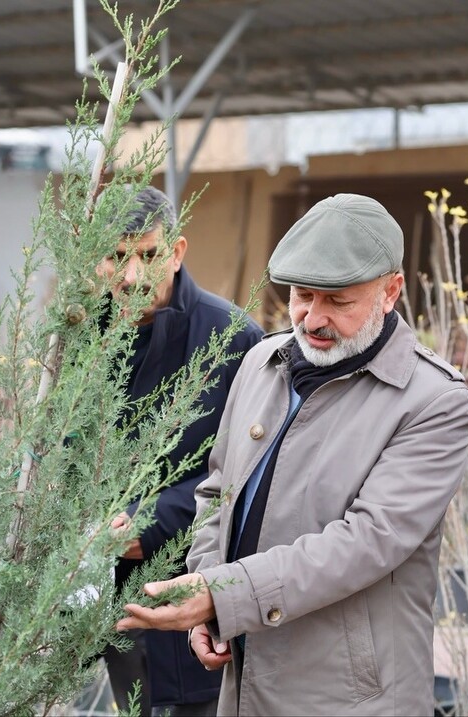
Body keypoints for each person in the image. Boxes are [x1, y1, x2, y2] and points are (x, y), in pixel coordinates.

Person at [116, 193, 468, 715]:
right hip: (247, 675)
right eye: (302, 296)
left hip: (351, 696)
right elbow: (218, 489)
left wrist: (221, 595)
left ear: (391, 291)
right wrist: (207, 608)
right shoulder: (264, 359)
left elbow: (366, 542)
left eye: (339, 302)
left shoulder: (434, 400)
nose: (313, 319)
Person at [96, 186, 263, 717]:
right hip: (108, 590)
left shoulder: (233, 337)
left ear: (177, 250)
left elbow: (253, 470)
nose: (130, 277)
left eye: (147, 255)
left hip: (200, 580)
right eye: (116, 258)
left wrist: (152, 523)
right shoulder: (76, 340)